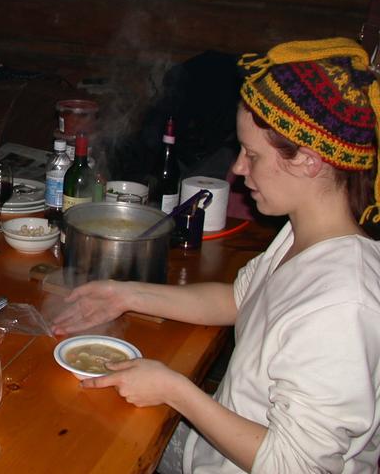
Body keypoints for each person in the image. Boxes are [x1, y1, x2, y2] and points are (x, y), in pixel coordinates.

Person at [53, 38, 380, 472]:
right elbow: (240, 300)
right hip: (208, 454)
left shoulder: (344, 306)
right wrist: (125, 294)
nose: (238, 168)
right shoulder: (301, 237)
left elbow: (295, 464)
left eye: (253, 154)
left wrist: (175, 390)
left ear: (309, 160)